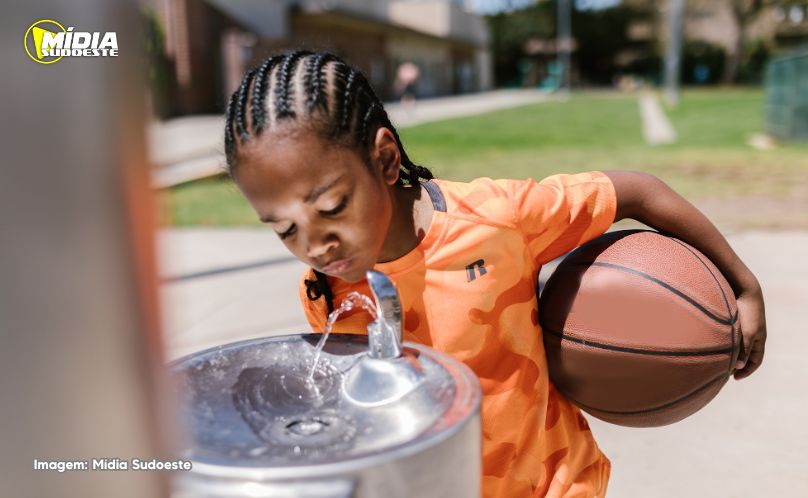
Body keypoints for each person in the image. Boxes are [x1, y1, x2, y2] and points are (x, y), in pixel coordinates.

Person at [223, 50, 767, 497]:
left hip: (556, 484)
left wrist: (744, 286)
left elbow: (638, 191)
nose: (315, 244)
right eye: (285, 229)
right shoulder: (329, 292)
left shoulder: (497, 219)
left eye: (333, 205)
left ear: (386, 160)